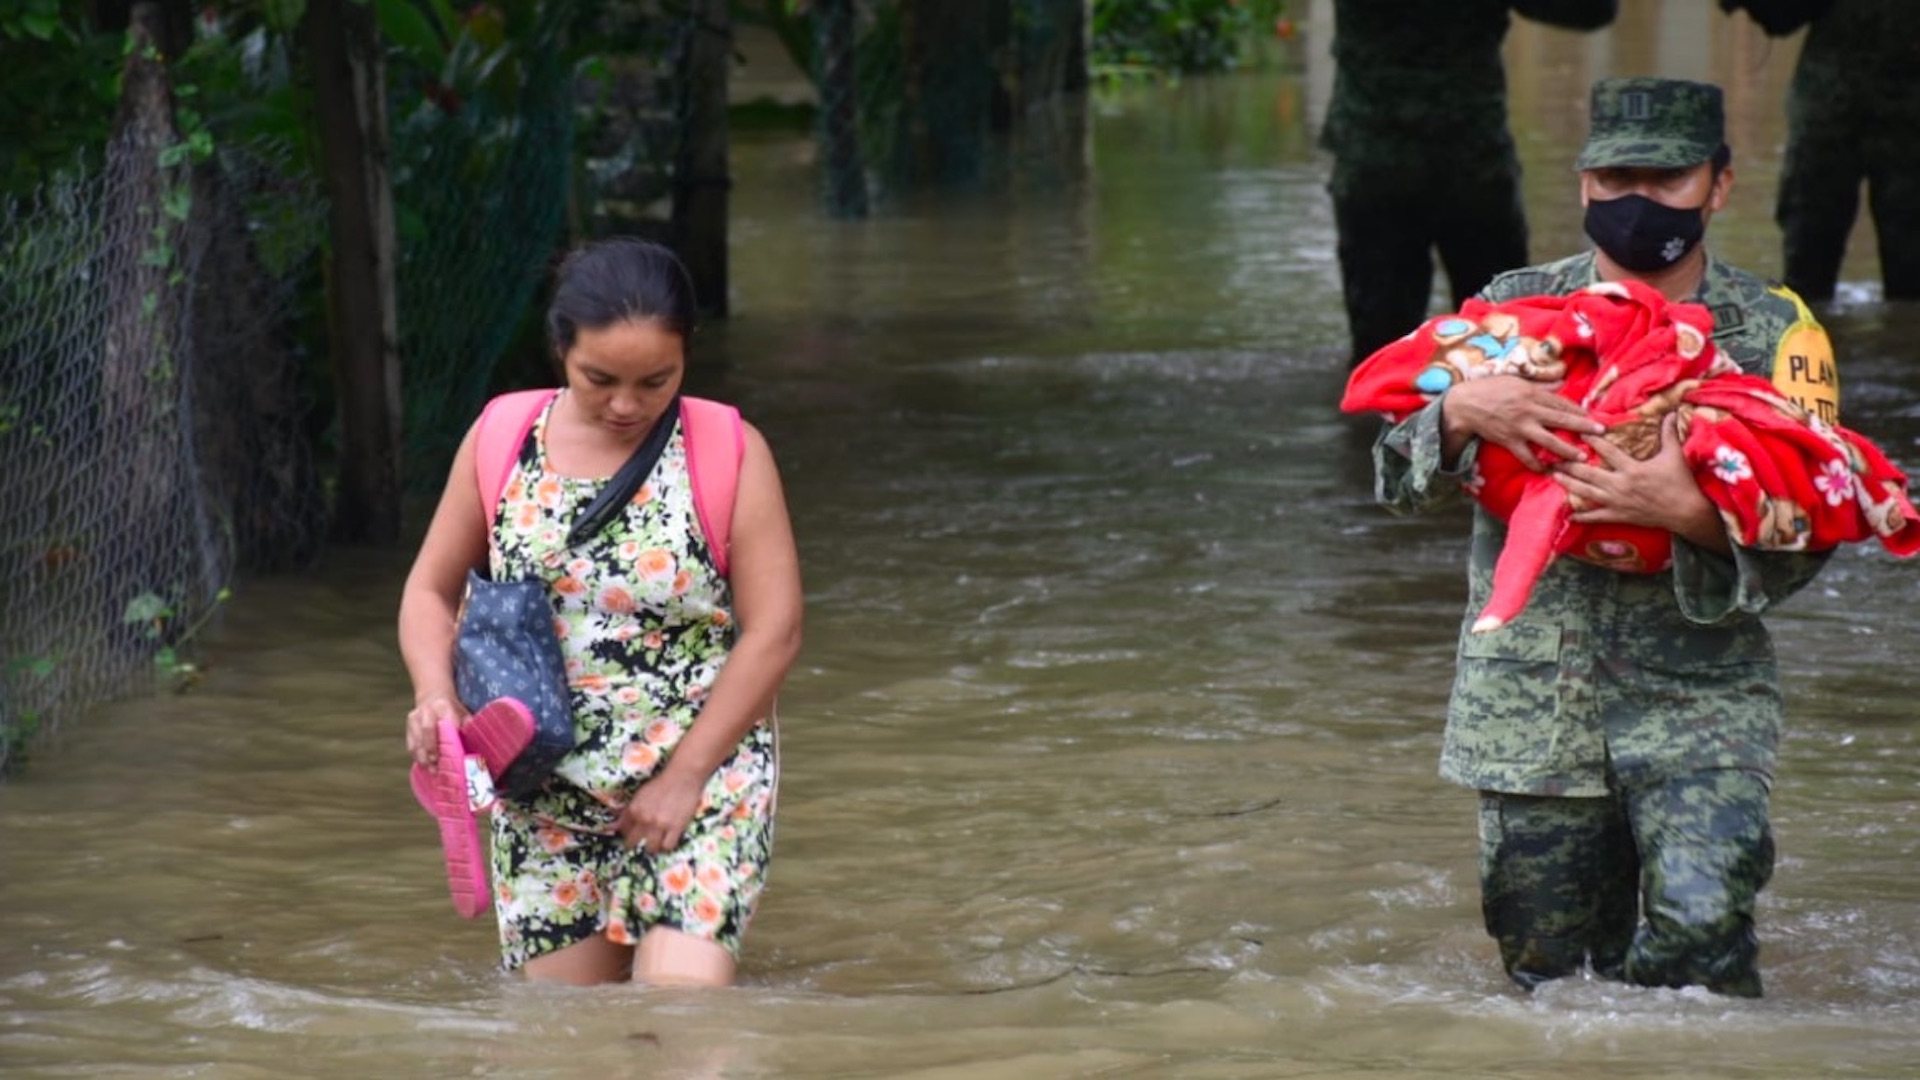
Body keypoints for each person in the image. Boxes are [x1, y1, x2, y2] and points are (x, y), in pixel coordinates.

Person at [1367, 77, 1840, 996]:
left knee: (1703, 947)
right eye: (1618, 176)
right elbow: (1394, 482)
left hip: (1701, 701)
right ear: (1584, 184)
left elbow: (1817, 528)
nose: (1638, 202)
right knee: (1553, 982)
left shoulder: (1775, 332)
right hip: (1533, 710)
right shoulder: (1511, 313)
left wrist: (1687, 513)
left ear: (1720, 186)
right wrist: (1461, 409)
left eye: (1667, 180)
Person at [398, 238, 804, 986]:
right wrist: (435, 695)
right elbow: (429, 590)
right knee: (569, 1035)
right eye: (600, 379)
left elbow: (774, 631)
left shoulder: (729, 452)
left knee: (679, 1009)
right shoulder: (500, 440)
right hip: (546, 790)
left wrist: (684, 778)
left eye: (656, 380)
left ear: (688, 353)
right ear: (559, 349)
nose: (626, 404)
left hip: (700, 777)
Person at [1322, 0, 1617, 367]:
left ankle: (1377, 419)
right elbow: (1590, 12)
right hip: (1469, 163)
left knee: (1381, 354)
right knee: (1501, 341)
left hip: (1379, 162)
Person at [1717, 0, 1920, 302]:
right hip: (1829, 119)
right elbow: (1782, 16)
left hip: (1896, 127)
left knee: (1910, 277)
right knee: (1808, 268)